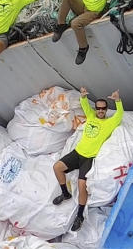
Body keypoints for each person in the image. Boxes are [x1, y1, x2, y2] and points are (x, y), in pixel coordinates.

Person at [52, 88, 123, 232]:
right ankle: (65, 193)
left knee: (82, 184)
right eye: (98, 108)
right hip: (77, 153)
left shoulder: (110, 123)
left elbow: (119, 114)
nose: (101, 110)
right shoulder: (91, 117)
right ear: (95, 109)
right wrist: (83, 96)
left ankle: (80, 216)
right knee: (57, 167)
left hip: (89, 158)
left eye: (103, 108)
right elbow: (84, 105)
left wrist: (118, 101)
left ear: (106, 109)